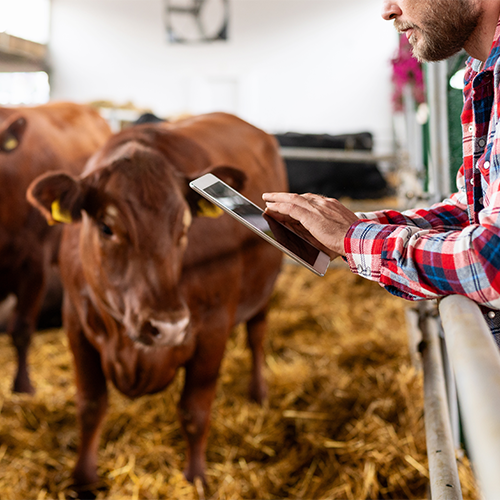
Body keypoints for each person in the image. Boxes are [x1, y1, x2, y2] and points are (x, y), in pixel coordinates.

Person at [263, 0, 500, 343]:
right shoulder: (481, 71)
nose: (388, 10)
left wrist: (353, 238)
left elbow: (491, 266)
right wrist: (353, 227)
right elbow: (473, 210)